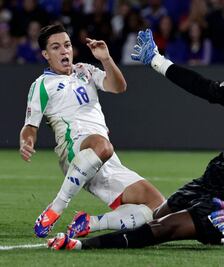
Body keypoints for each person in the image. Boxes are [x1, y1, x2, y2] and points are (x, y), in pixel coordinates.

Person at [47, 28, 224, 250]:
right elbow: (200, 85)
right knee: (158, 214)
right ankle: (89, 223)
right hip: (218, 178)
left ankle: (80, 245)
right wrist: (156, 60)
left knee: (163, 229)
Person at [19, 24, 165, 239]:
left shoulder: (85, 70)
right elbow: (30, 126)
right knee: (102, 145)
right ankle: (56, 207)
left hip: (106, 158)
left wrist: (105, 59)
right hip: (74, 149)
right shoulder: (42, 84)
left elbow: (118, 87)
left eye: (67, 45)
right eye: (56, 47)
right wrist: (26, 142)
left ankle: (89, 224)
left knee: (157, 207)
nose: (64, 51)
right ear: (46, 55)